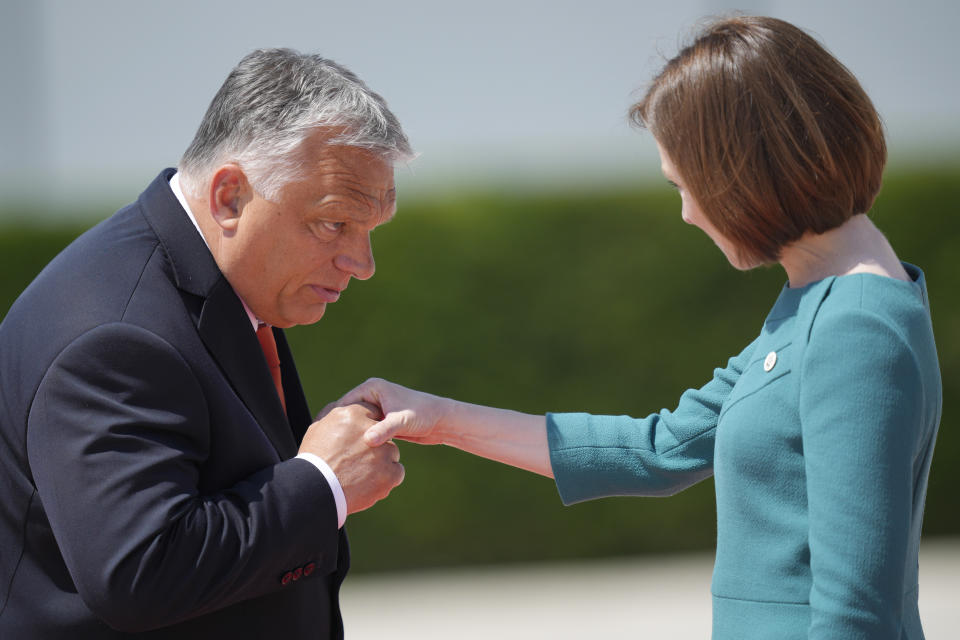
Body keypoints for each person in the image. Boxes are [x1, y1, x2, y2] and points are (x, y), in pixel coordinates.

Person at [335, 16, 942, 639]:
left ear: (743, 168)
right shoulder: (816, 305)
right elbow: (658, 450)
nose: (686, 212)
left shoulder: (857, 327)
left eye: (686, 185)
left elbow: (855, 615)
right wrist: (435, 419)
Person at [0, 48, 411, 638]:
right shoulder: (116, 334)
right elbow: (141, 573)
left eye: (371, 230)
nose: (362, 263)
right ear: (230, 197)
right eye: (333, 223)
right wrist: (323, 483)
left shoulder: (205, 278)